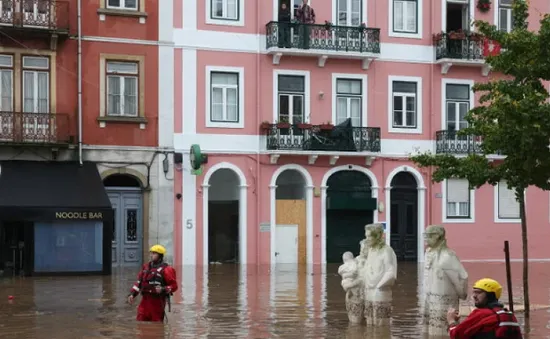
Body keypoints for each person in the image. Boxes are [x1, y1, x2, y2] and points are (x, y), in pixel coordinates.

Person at [422, 225, 468, 336]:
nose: (425, 239)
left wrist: (462, 294)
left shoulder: (447, 256)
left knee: (443, 332)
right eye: (425, 236)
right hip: (430, 299)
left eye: (428, 236)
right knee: (430, 331)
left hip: (445, 301)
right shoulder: (429, 253)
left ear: (437, 236)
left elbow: (462, 277)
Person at [447, 278, 523, 339]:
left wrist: (451, 321)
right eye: (474, 292)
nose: (474, 296)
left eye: (478, 292)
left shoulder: (481, 313)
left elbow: (456, 336)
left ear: (490, 295)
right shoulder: (509, 314)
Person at [127, 244, 178, 322]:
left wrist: (163, 289)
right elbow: (139, 282)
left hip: (157, 302)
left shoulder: (167, 269)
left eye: (154, 253)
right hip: (145, 301)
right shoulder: (146, 267)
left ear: (160, 255)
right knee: (140, 322)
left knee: (156, 324)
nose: (151, 255)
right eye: (151, 253)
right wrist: (132, 294)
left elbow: (174, 286)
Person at [362, 223, 397, 326]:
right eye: (366, 236)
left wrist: (378, 287)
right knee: (369, 322)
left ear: (377, 236)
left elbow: (391, 273)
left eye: (369, 236)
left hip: (380, 291)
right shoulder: (371, 250)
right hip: (369, 290)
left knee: (380, 325)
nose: (367, 239)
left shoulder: (386, 251)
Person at [339, 251, 363, 323]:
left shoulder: (353, 264)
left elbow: (354, 272)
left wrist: (346, 275)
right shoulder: (355, 263)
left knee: (355, 319)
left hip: (355, 290)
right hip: (353, 289)